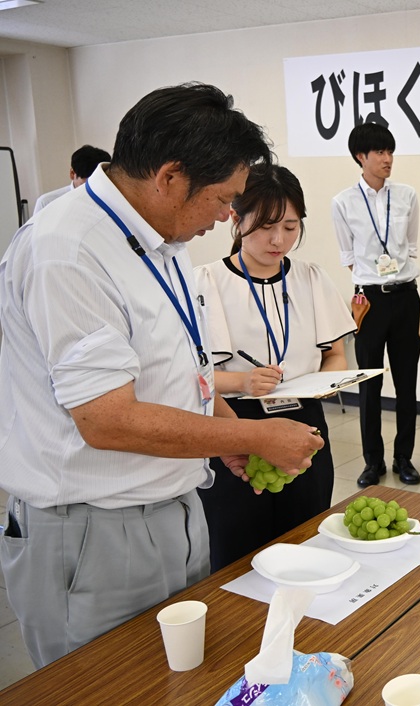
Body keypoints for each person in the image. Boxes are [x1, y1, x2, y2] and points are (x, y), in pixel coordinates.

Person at [0, 83, 324, 669]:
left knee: (183, 680)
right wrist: (254, 436)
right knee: (107, 685)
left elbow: (187, 368)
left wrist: (224, 434)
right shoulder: (67, 250)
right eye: (223, 199)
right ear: (170, 177)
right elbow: (106, 419)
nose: (229, 216)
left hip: (173, 508)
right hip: (92, 532)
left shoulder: (163, 241)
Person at [196, 163, 355, 572]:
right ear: (236, 216)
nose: (278, 239)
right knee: (237, 547)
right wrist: (244, 381)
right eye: (266, 225)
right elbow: (197, 376)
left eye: (290, 226)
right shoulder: (207, 282)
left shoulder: (310, 278)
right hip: (236, 423)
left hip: (304, 421)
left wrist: (330, 379)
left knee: (305, 535)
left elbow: (334, 353)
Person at [331, 122, 420, 488]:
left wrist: (395, 275)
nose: (387, 159)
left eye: (390, 152)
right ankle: (373, 461)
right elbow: (348, 256)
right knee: (369, 384)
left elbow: (411, 247)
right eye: (380, 153)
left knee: (407, 384)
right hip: (368, 301)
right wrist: (375, 279)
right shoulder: (343, 202)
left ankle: (404, 458)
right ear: (361, 157)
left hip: (406, 297)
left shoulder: (407, 195)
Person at [32, 144, 111, 215]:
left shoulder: (110, 201)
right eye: (87, 183)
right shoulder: (46, 203)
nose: (93, 188)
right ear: (72, 173)